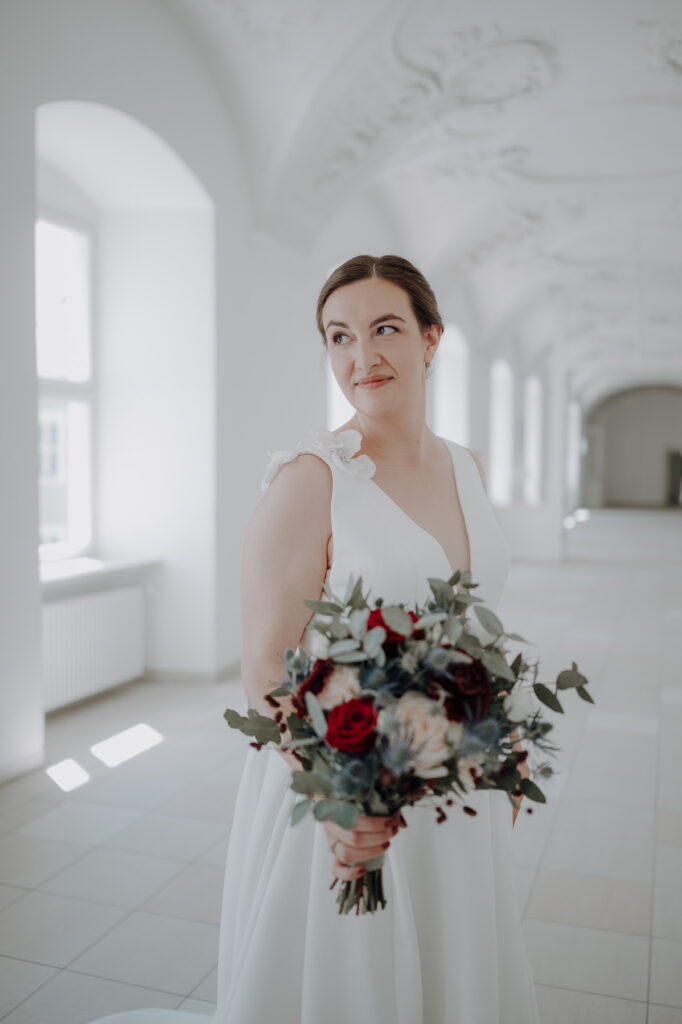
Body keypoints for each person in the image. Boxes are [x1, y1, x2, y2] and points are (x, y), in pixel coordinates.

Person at [91, 254, 541, 1023]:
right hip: (343, 782)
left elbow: (470, 630)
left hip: (450, 777)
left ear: (431, 339)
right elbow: (266, 662)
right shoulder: (312, 478)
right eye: (339, 336)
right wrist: (338, 795)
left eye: (385, 329)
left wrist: (500, 742)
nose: (361, 356)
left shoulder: (467, 465)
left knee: (448, 967)